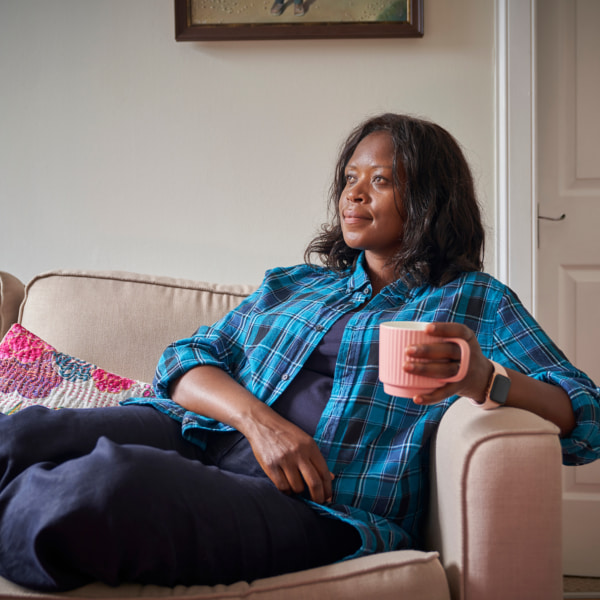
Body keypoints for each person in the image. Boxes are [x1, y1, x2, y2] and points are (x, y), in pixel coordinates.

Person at [0, 113, 599, 591]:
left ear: (429, 200)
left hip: (314, 505)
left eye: (381, 180)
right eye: (349, 179)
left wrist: (486, 380)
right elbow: (184, 359)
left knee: (97, 487)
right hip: (198, 432)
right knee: (20, 439)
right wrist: (259, 423)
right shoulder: (293, 284)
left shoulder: (473, 300)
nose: (353, 196)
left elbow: (586, 415)